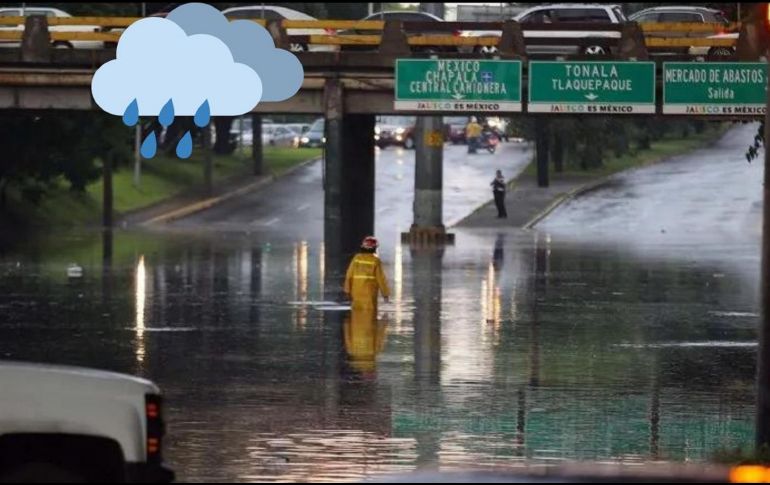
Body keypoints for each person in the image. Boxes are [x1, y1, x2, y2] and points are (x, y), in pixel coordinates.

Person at [344, 236, 390, 311]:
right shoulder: (376, 261)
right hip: (370, 294)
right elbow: (381, 279)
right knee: (370, 313)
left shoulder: (356, 258)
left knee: (356, 313)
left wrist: (347, 291)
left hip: (356, 292)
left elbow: (349, 275)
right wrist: (385, 294)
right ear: (375, 248)